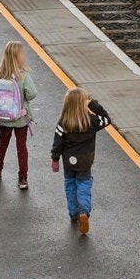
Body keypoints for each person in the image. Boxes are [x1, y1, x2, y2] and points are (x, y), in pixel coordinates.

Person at [50, 87, 112, 234]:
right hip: (85, 160)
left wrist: (55, 159)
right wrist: (93, 104)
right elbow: (106, 119)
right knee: (84, 184)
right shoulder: (91, 121)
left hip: (69, 161)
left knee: (70, 184)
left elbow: (57, 143)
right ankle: (83, 211)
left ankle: (73, 213)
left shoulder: (63, 123)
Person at [0, 40, 37, 189]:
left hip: (4, 118)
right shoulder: (24, 75)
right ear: (19, 57)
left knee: (2, 143)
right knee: (21, 146)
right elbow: (32, 93)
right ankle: (23, 178)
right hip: (20, 117)